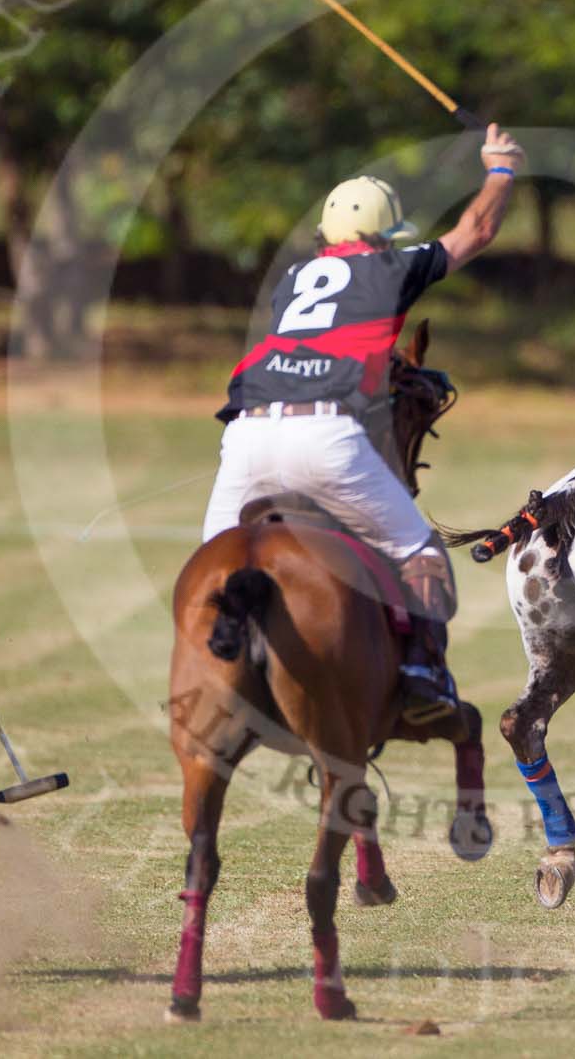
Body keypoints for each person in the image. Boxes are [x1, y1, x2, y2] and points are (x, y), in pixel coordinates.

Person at [201, 125, 525, 723]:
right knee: (420, 549)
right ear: (382, 235)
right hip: (325, 437)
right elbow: (475, 231)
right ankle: (425, 674)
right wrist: (501, 169)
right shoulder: (392, 266)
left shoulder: (293, 279)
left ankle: (210, 680)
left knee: (216, 568)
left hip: (246, 435)